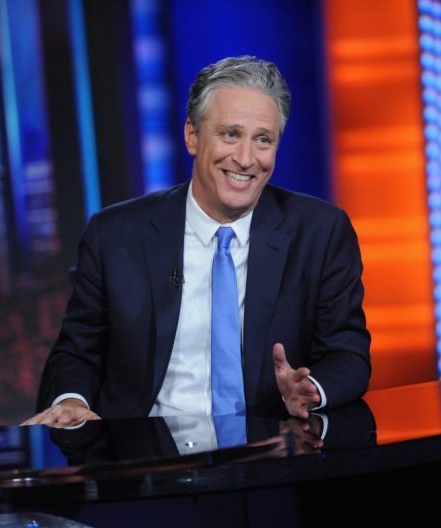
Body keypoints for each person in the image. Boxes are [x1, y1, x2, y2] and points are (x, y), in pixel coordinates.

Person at [22, 56, 370, 428]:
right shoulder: (114, 235)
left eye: (263, 140)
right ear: (192, 135)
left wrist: (311, 390)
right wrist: (72, 401)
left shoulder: (320, 232)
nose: (245, 158)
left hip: (273, 451)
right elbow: (76, 353)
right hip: (146, 460)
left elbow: (348, 355)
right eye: (230, 134)